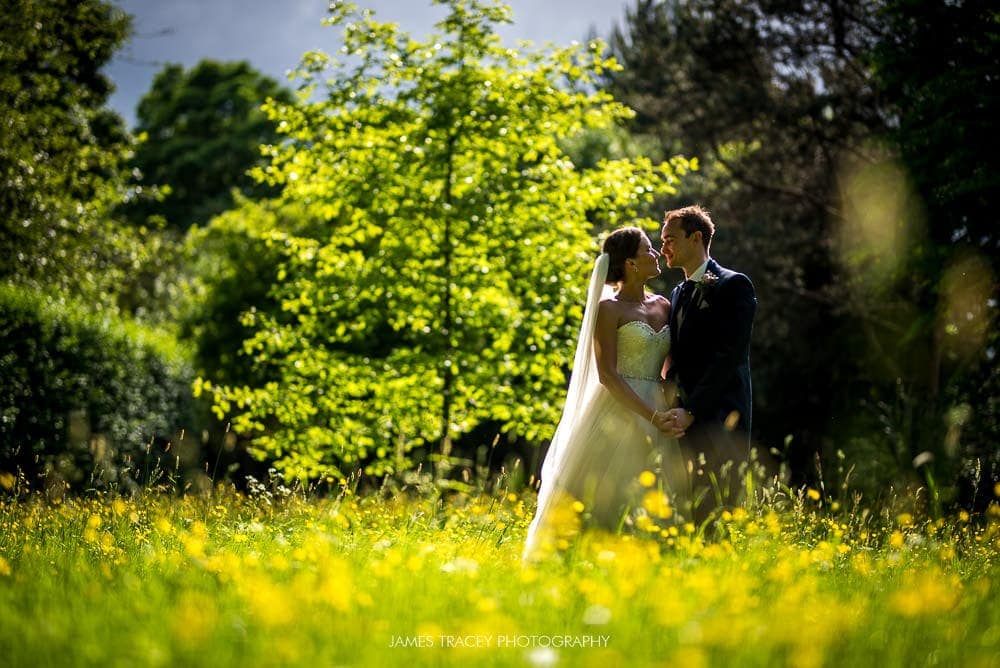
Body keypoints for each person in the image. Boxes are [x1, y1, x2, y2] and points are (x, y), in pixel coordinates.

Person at [523, 226, 688, 562]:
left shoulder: (664, 305)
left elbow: (671, 365)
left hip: (659, 405)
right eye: (647, 249)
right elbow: (608, 375)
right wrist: (651, 416)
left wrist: (670, 409)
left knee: (653, 494)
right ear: (630, 263)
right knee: (603, 491)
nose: (655, 254)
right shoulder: (609, 310)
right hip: (619, 406)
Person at [660, 205, 757, 522]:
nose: (663, 250)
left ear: (696, 237)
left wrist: (691, 411)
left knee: (717, 510)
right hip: (680, 423)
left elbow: (727, 358)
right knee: (686, 511)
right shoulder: (677, 293)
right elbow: (677, 356)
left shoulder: (734, 285)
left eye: (670, 240)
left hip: (719, 418)